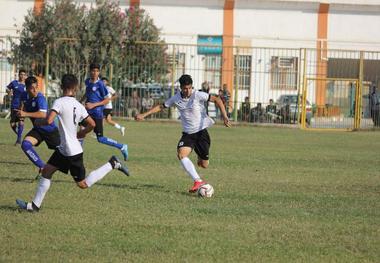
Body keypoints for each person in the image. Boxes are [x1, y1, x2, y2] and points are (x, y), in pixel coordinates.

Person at [16, 74, 130, 212]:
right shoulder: (78, 105)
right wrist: (82, 133)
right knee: (46, 171)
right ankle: (34, 206)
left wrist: (39, 122)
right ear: (75, 88)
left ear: (61, 87)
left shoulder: (59, 102)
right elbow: (92, 124)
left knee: (82, 184)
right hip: (64, 149)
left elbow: (49, 120)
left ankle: (112, 163)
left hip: (71, 152)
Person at [135, 74, 230, 193]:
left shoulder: (198, 95)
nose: (188, 90)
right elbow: (161, 106)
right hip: (188, 134)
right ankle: (198, 181)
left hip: (201, 133)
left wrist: (225, 116)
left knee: (204, 164)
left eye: (190, 88)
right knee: (181, 154)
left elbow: (217, 99)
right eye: (185, 88)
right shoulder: (176, 98)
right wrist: (144, 115)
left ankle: (199, 158)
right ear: (181, 88)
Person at [82, 63, 128, 160]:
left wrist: (93, 105)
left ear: (99, 72)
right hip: (87, 112)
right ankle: (76, 153)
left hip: (97, 113)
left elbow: (107, 100)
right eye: (93, 71)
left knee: (100, 138)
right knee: (81, 129)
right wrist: (79, 102)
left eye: (97, 71)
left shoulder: (100, 85)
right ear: (90, 71)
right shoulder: (87, 82)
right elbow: (87, 93)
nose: (95, 73)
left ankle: (122, 146)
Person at [15, 76, 60, 174]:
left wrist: (25, 114)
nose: (35, 90)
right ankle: (42, 166)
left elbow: (42, 114)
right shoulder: (24, 95)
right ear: (27, 89)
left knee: (64, 152)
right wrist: (20, 113)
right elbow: (23, 107)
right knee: (25, 145)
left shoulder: (40, 98)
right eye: (32, 88)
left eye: (36, 87)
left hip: (50, 130)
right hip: (38, 130)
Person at [6, 69, 27, 145]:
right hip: (14, 105)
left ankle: (18, 140)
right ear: (19, 75)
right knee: (12, 124)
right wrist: (9, 92)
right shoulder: (14, 83)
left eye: (24, 75)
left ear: (26, 76)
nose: (22, 76)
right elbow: (7, 88)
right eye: (21, 74)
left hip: (23, 106)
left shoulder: (27, 85)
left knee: (21, 122)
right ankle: (19, 135)